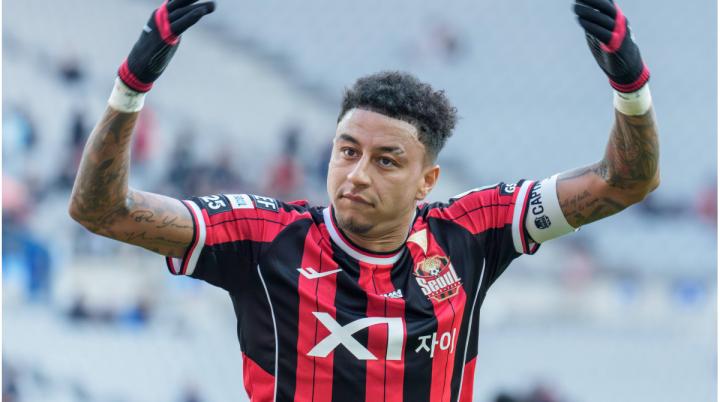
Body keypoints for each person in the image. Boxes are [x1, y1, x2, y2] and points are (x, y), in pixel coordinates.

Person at [68, 0, 659, 401]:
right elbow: (101, 211)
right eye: (347, 151)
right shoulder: (262, 236)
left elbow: (623, 182)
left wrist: (631, 91)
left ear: (427, 180)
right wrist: (130, 88)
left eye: (386, 160)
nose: (356, 174)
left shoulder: (475, 230)